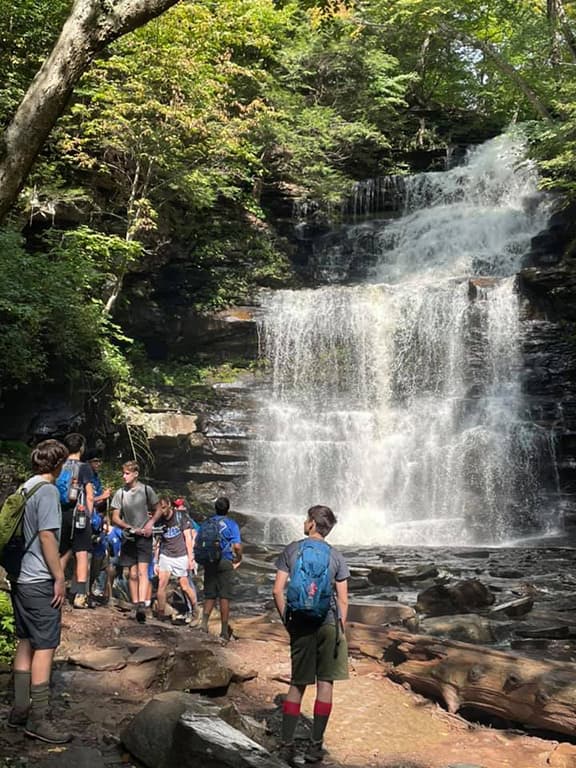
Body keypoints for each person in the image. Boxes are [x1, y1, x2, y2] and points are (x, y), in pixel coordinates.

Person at [272, 505, 350, 766]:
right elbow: (343, 600)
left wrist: (288, 621)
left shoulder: (292, 550)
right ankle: (315, 746)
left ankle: (286, 744)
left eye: (307, 519)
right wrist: (339, 629)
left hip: (300, 624)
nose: (304, 522)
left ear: (313, 524)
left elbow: (277, 591)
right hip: (328, 623)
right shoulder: (336, 556)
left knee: (298, 684)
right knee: (325, 683)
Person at [8, 438, 72, 744]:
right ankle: (39, 719)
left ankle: (20, 708)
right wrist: (59, 576)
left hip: (19, 577)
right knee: (45, 646)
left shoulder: (25, 487)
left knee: (25, 641)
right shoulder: (46, 491)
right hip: (38, 579)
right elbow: (47, 537)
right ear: (57, 465)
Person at [109, 460, 161, 623]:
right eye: (123, 473)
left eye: (127, 473)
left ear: (135, 474)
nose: (124, 476)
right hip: (129, 536)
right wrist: (129, 527)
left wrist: (150, 524)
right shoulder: (120, 493)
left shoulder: (146, 490)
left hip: (144, 536)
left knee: (142, 571)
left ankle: (142, 606)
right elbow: (115, 516)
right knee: (131, 573)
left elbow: (158, 508)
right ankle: (135, 603)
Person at [58, 433, 94, 609]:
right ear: (81, 448)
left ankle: (55, 589)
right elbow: (90, 495)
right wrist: (90, 517)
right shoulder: (84, 468)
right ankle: (80, 595)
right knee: (81, 553)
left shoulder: (60, 466)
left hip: (61, 514)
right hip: (79, 514)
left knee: (62, 551)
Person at [199, 496, 242, 641]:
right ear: (228, 509)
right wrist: (239, 558)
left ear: (215, 508)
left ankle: (203, 624)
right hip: (225, 560)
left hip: (209, 561)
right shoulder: (231, 524)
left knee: (210, 594)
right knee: (224, 596)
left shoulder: (207, 523)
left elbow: (199, 541)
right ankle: (224, 631)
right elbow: (236, 546)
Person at [154, 496, 198, 623]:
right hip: (165, 555)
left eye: (163, 508)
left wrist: (191, 558)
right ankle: (161, 615)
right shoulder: (159, 520)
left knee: (184, 586)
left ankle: (195, 609)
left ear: (169, 505)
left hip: (181, 555)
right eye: (159, 509)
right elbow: (157, 542)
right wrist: (155, 561)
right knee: (161, 585)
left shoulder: (181, 517)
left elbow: (188, 539)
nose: (162, 511)